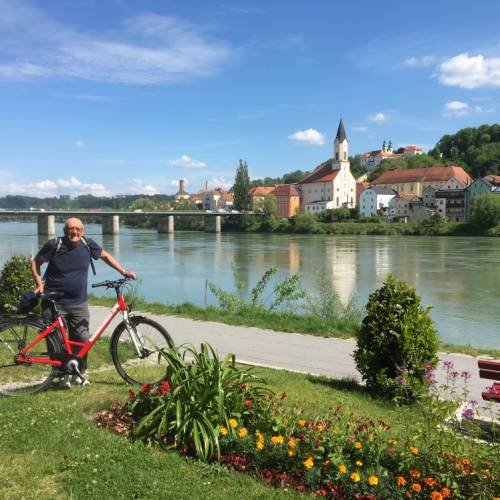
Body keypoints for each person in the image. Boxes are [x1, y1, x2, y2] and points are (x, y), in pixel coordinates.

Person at [31, 217, 136, 389]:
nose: (74, 232)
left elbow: (105, 256)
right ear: (65, 231)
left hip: (78, 302)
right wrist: (38, 282)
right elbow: (35, 262)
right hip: (54, 302)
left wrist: (124, 271)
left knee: (81, 338)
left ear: (83, 231)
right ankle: (61, 375)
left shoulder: (88, 244)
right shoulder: (53, 245)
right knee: (56, 340)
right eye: (70, 229)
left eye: (78, 229)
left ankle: (79, 371)